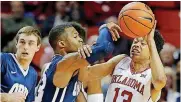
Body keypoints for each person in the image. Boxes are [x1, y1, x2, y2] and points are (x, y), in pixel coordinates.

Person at [75, 21, 167, 102]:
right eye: (135, 41)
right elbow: (88, 73)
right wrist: (86, 54)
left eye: (143, 44)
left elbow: (160, 80)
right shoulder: (121, 60)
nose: (136, 45)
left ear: (152, 49)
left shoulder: (153, 75)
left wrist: (151, 41)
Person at [35, 22, 122, 102]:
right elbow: (104, 48)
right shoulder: (63, 63)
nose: (81, 40)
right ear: (62, 44)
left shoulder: (74, 71)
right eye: (75, 36)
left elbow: (107, 66)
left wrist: (128, 57)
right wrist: (104, 28)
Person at [1, 26, 41, 102]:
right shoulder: (3, 59)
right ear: (16, 44)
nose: (25, 47)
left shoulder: (33, 74)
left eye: (31, 43)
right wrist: (6, 97)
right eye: (22, 42)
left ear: (38, 47)